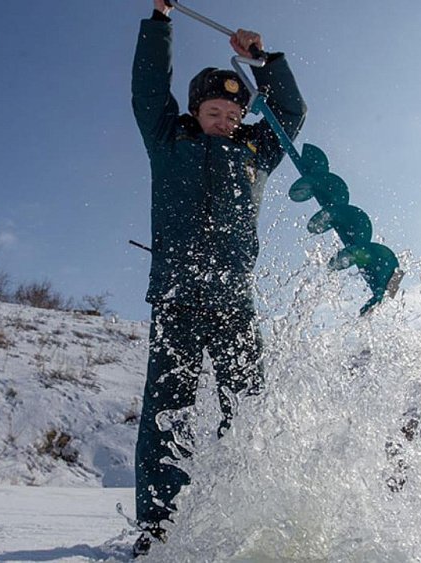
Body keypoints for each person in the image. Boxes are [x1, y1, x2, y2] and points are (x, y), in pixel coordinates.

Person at [130, 0, 306, 556]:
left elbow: (292, 113)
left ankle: (241, 517)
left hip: (234, 304)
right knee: (168, 417)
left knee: (248, 413)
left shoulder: (257, 150)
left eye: (234, 116)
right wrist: (160, 22)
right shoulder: (169, 141)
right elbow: (147, 89)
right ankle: (159, 533)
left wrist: (264, 60)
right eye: (215, 112)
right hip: (177, 303)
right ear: (196, 109)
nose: (226, 122)